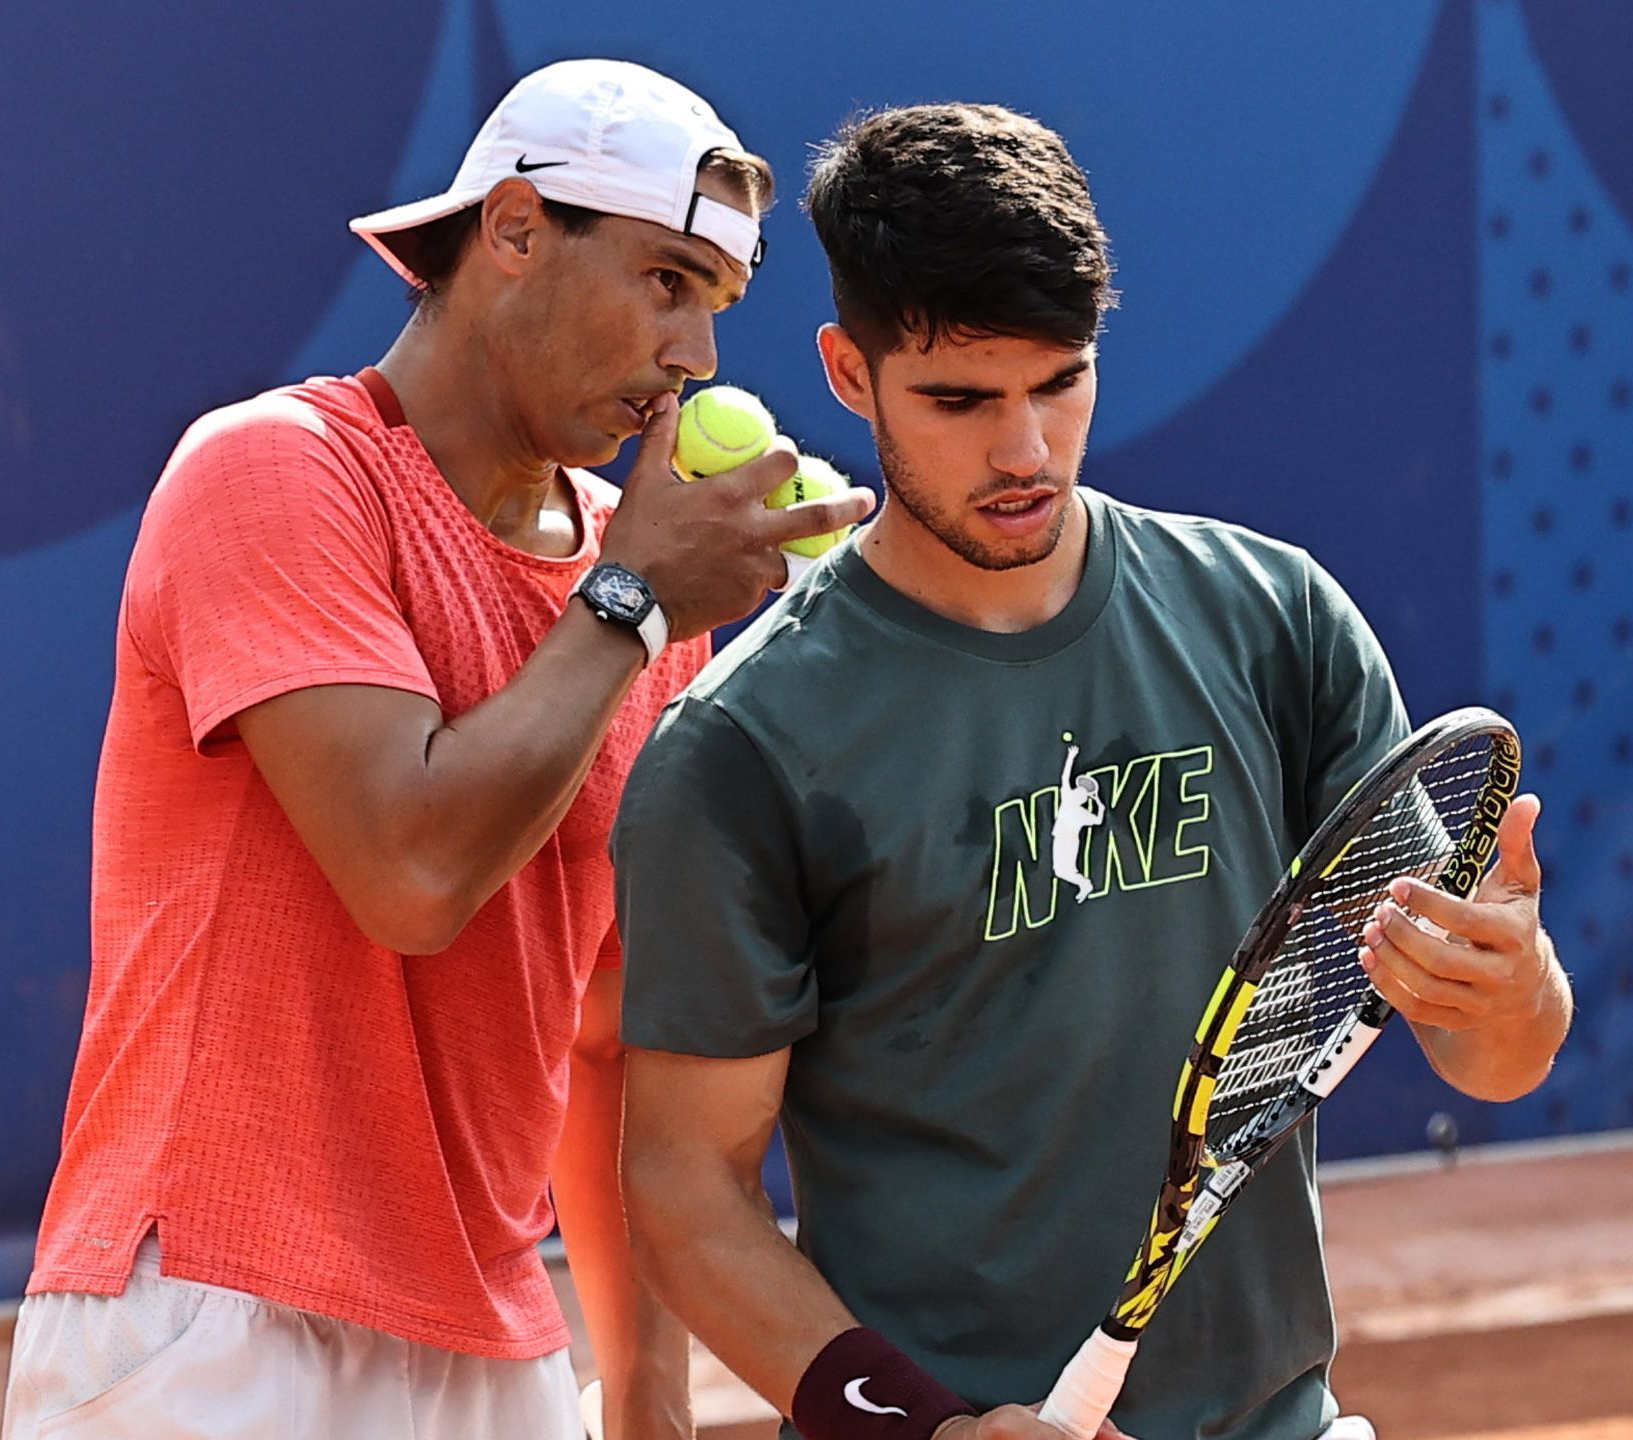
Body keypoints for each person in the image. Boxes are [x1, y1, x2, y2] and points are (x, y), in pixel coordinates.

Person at [611, 102, 1572, 1440]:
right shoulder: (741, 749)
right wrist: (917, 1428)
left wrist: (1512, 985)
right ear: (848, 371)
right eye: (961, 399)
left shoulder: (1274, 620)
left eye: (1060, 383)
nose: (1024, 451)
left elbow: (1493, 1057)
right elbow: (683, 1182)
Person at [0, 59, 872, 1440]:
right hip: (215, 1314)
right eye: (663, 281)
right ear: (514, 232)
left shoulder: (640, 595)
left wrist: (646, 1390)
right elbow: (410, 871)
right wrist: (635, 605)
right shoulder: (274, 471)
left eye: (716, 303)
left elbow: (602, 1027)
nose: (696, 356)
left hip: (492, 1341)